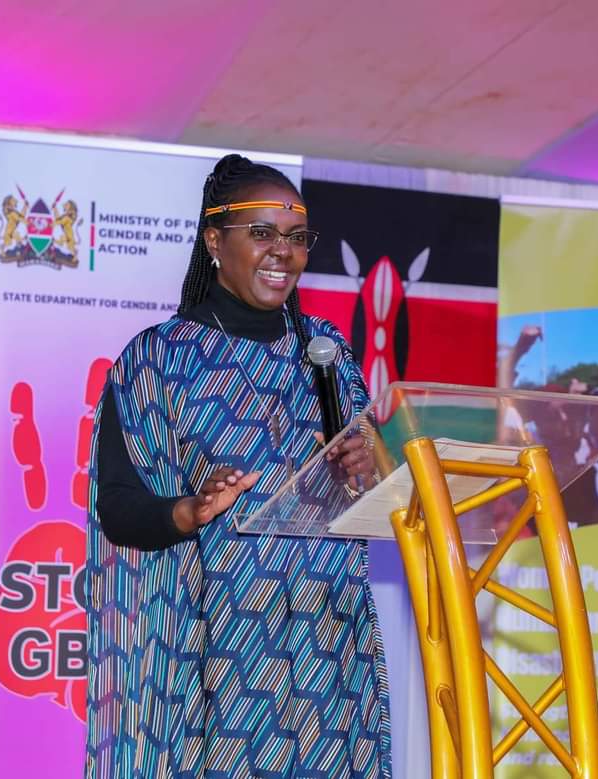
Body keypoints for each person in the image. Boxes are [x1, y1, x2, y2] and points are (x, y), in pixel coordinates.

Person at [85, 155, 392, 778]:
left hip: (327, 652)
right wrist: (190, 509)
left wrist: (375, 466)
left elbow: (372, 497)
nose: (283, 251)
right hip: (210, 659)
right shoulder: (157, 360)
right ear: (214, 241)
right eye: (262, 233)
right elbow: (117, 507)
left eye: (297, 237)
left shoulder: (328, 355)